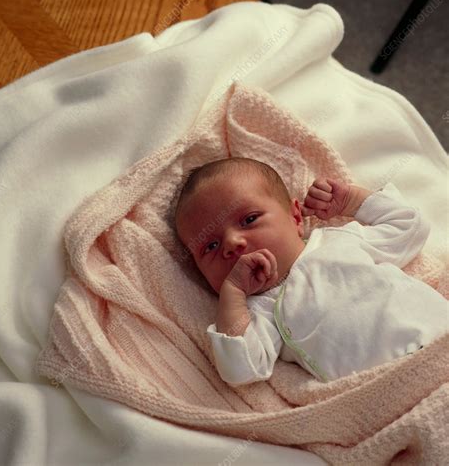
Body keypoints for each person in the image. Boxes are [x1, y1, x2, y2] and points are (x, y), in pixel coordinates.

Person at [174, 157, 448, 384]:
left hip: (438, 336)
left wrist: (353, 201)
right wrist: (232, 293)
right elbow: (240, 369)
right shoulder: (261, 311)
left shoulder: (336, 241)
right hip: (394, 387)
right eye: (210, 246)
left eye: (249, 219)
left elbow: (410, 227)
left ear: (295, 218)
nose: (232, 244)